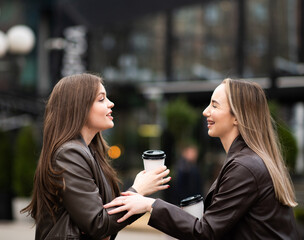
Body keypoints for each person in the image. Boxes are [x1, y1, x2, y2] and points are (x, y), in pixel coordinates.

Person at [104, 78, 300, 239]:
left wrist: (149, 204)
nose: (206, 111)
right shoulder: (248, 161)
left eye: (214, 105)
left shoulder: (245, 166)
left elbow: (206, 232)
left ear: (237, 117)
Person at [21, 73, 171, 240]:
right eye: (101, 99)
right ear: (79, 107)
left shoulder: (88, 152)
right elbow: (98, 223)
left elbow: (106, 221)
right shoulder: (70, 154)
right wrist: (138, 191)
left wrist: (137, 197)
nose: (111, 103)